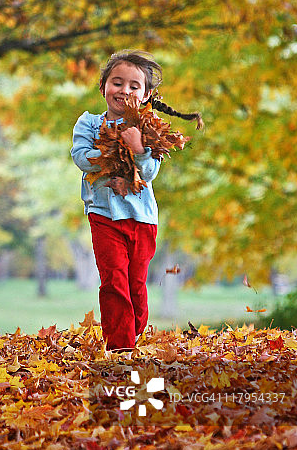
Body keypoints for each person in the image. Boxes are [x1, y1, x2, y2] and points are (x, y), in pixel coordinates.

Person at [71, 49, 202, 351]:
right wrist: (114, 148)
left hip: (142, 219)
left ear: (146, 94)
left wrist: (139, 148)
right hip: (103, 215)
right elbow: (81, 158)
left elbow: (150, 171)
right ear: (103, 86)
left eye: (134, 86)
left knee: (135, 285)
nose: (125, 91)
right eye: (117, 83)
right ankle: (120, 347)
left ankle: (135, 332)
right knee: (114, 281)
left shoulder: (148, 127)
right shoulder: (89, 124)